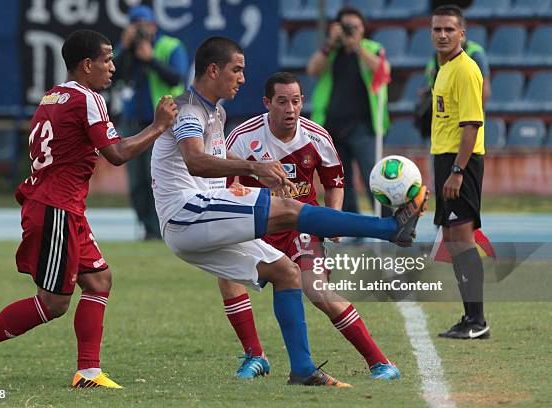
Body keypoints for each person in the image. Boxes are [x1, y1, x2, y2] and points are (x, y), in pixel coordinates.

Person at [151, 36, 427, 386]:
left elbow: (221, 156)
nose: (242, 78)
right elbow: (194, 160)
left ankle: (302, 369)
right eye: (236, 70)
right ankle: (390, 229)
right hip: (187, 211)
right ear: (212, 69)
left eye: (296, 100)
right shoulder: (189, 110)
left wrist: (252, 168)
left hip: (197, 218)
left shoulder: (215, 111)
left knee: (286, 273)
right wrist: (255, 170)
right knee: (289, 209)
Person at [0, 29, 178, 388]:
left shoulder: (53, 96)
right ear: (87, 65)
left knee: (100, 280)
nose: (113, 67)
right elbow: (115, 155)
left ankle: (88, 372)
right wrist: (158, 126)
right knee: (53, 304)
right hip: (56, 207)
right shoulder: (87, 98)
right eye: (106, 60)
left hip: (61, 206)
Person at [217, 72, 401, 381]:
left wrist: (335, 216)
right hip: (259, 226)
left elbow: (335, 182)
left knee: (317, 290)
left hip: (302, 227)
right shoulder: (242, 137)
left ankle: (381, 363)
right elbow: (224, 184)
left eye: (296, 101)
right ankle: (255, 356)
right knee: (226, 276)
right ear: (267, 103)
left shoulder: (317, 137)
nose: (290, 109)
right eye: (282, 102)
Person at [428, 6, 489, 339]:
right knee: (453, 240)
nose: (442, 35)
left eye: (449, 30)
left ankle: (477, 321)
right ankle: (470, 317)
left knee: (462, 240)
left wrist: (457, 171)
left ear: (461, 33)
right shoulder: (444, 68)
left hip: (460, 162)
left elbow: (471, 126)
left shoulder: (466, 70)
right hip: (447, 159)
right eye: (437, 29)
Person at [307, 6, 391, 216]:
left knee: (373, 176)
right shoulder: (331, 51)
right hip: (333, 125)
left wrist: (357, 47)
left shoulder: (372, 48)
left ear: (363, 28)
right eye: (346, 26)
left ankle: (388, 222)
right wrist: (330, 43)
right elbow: (312, 69)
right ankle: (352, 224)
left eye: (354, 26)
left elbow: (383, 70)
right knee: (341, 180)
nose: (349, 31)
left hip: (363, 125)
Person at [113, 5, 188, 239]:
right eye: (135, 25)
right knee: (136, 180)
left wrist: (151, 59)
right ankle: (147, 228)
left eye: (144, 25)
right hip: (133, 119)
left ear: (154, 26)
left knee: (157, 177)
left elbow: (177, 76)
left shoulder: (170, 46)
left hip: (162, 120)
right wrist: (125, 48)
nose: (140, 30)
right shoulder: (126, 48)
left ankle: (162, 228)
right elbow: (112, 77)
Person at [417, 16, 491, 139]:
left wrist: (471, 123)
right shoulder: (437, 55)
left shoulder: (474, 54)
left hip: (464, 124)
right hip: (442, 125)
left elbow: (485, 90)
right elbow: (431, 84)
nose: (444, 35)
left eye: (450, 30)